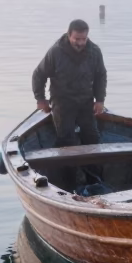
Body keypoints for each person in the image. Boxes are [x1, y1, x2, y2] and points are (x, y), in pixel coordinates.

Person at [31, 19, 108, 160]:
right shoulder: (56, 52)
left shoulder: (95, 51)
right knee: (67, 140)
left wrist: (100, 99)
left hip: (85, 100)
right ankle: (67, 175)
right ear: (69, 35)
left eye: (83, 39)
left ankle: (92, 175)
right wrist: (40, 99)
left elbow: (100, 76)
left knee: (92, 137)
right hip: (62, 101)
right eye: (77, 39)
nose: (80, 43)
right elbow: (38, 75)